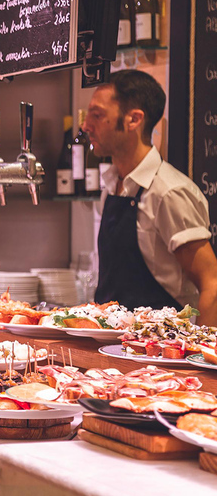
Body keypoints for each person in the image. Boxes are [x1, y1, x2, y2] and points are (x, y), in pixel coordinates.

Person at [83, 69, 217, 325]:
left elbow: (211, 284)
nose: (86, 125)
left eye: (97, 115)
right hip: (113, 350)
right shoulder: (112, 187)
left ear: (134, 119)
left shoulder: (169, 191)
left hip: (160, 354)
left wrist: (198, 358)